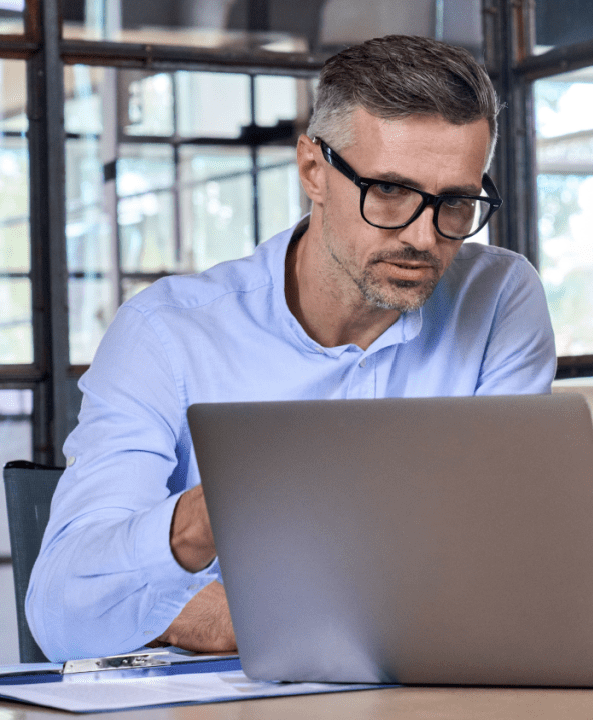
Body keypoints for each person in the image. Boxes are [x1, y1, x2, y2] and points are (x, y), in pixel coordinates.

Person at [29, 35, 556, 661]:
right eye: (388, 190)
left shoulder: (499, 298)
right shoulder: (165, 334)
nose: (423, 236)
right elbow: (59, 609)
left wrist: (242, 610)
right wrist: (197, 525)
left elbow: (500, 570)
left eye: (456, 202)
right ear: (313, 171)